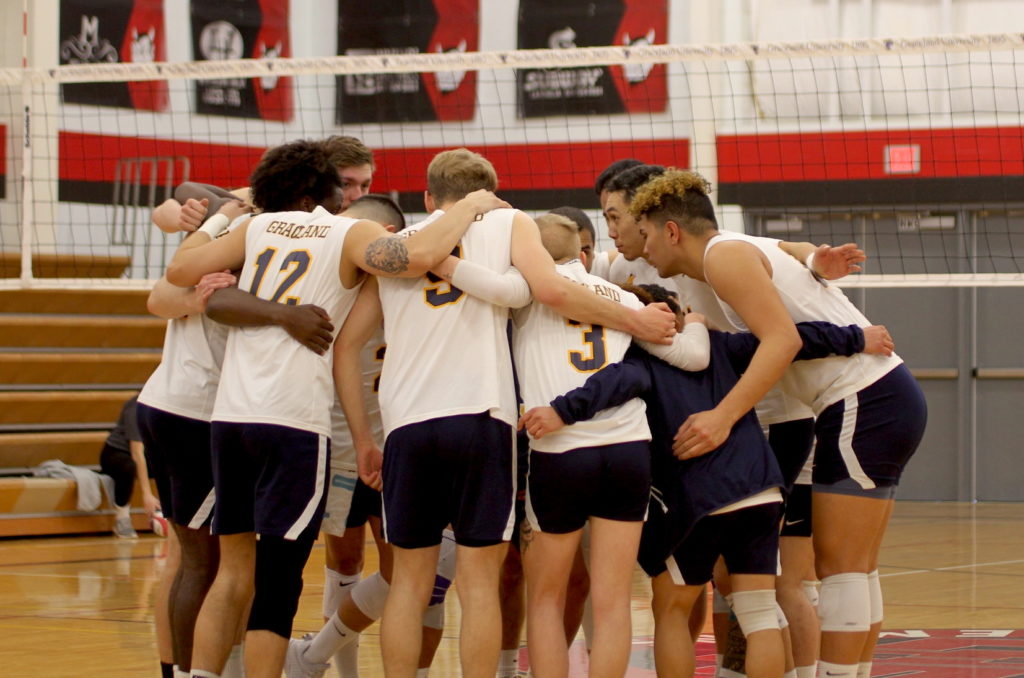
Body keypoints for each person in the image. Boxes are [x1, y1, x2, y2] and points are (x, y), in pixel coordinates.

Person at [166, 139, 508, 678]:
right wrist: (469, 205)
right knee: (276, 582)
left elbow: (182, 270)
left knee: (232, 573)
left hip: (230, 419)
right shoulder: (349, 231)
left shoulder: (255, 229)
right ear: (329, 193)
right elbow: (415, 256)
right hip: (293, 423)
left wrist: (220, 219)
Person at [332, 147, 675, 678]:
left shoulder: (396, 246)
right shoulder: (509, 222)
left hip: (406, 424)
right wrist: (636, 321)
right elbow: (549, 289)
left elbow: (346, 346)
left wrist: (362, 439)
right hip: (481, 419)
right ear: (490, 194)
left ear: (427, 198)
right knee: (478, 584)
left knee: (409, 584)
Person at [632, 169, 927, 678]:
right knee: (856, 568)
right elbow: (793, 252)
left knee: (839, 570)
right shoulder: (732, 249)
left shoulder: (722, 257)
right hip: (880, 396)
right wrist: (817, 259)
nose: (644, 248)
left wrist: (722, 417)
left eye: (647, 233)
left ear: (672, 231)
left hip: (861, 399)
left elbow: (783, 340)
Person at [520, 283, 894, 678]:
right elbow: (792, 339)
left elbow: (605, 386)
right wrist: (856, 337)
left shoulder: (635, 363)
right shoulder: (720, 346)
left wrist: (560, 411)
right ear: (679, 314)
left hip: (699, 500)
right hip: (760, 491)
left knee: (672, 611)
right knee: (759, 611)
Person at [99, 394, 157, 538]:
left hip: (146, 452)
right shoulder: (138, 407)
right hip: (115, 453)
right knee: (128, 467)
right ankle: (122, 518)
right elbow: (137, 452)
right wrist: (147, 494)